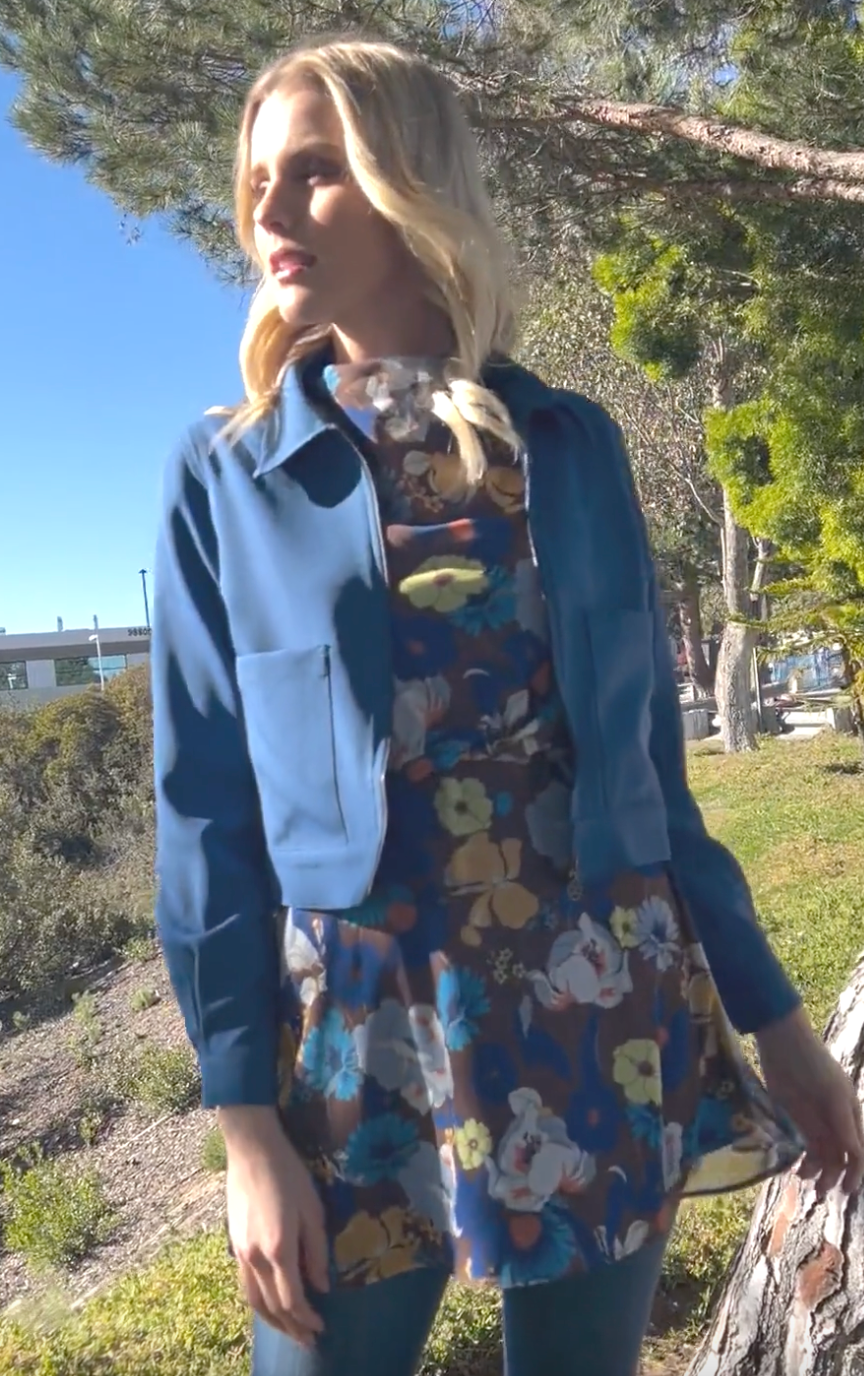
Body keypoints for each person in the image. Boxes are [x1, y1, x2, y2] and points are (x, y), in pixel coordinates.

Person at [151, 37, 864, 1376]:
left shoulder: (574, 447)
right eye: (257, 180)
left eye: (314, 173)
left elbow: (657, 782)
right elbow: (204, 819)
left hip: (599, 1007)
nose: (268, 210)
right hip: (355, 1049)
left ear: (409, 182)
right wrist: (247, 1124)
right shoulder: (226, 475)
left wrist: (782, 1026)